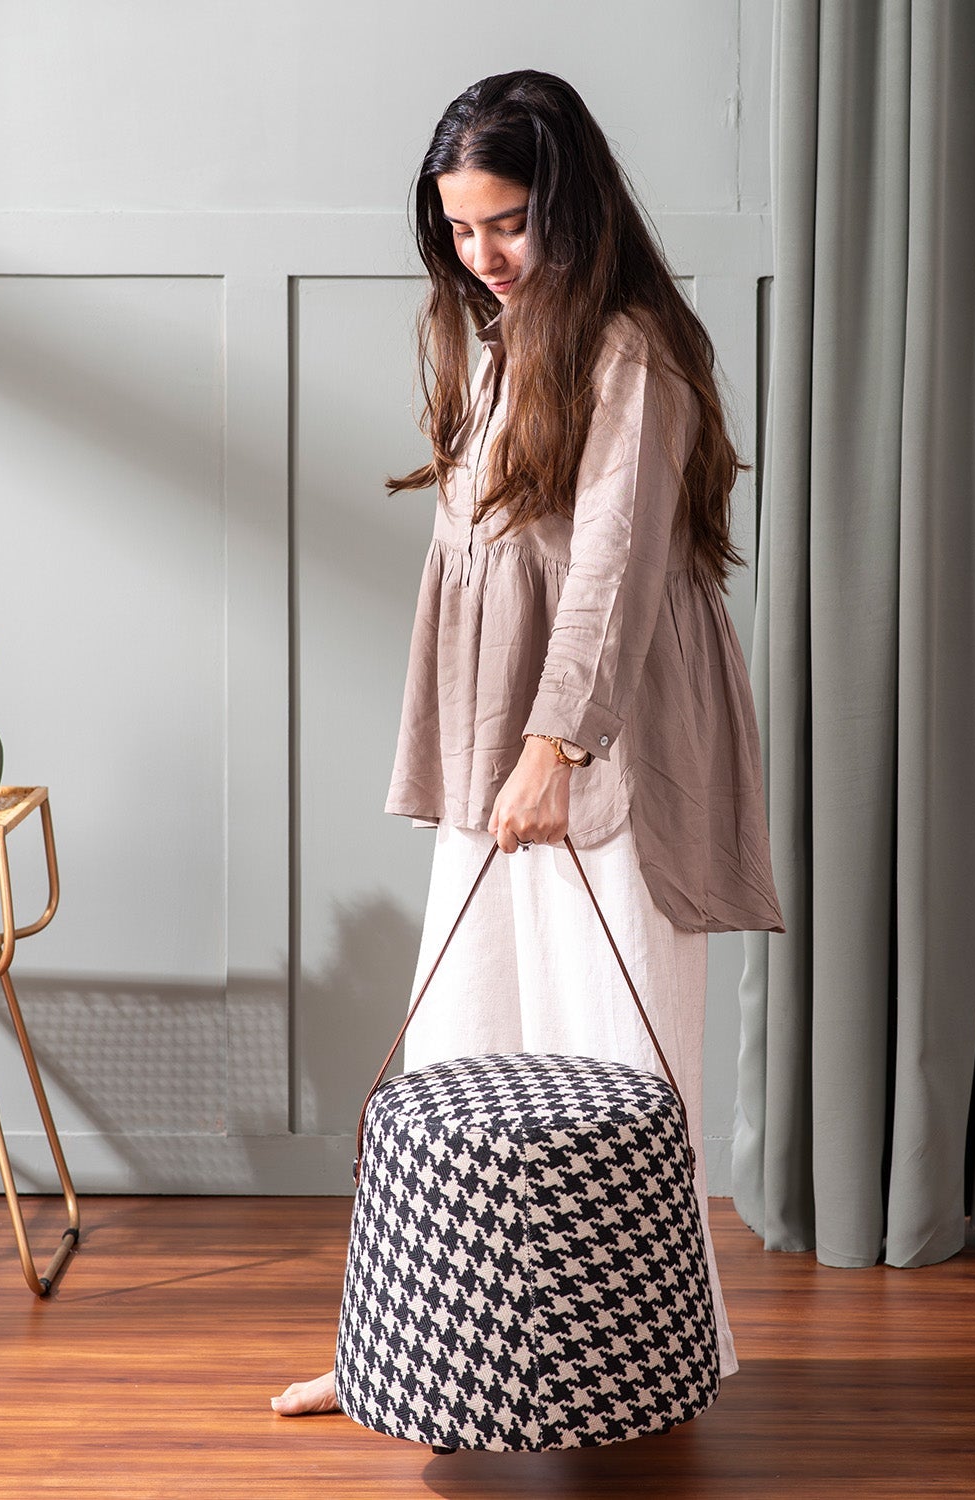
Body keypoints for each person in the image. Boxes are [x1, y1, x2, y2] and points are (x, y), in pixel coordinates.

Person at [272, 69, 784, 1420]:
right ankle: (411, 1337)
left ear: (572, 203)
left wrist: (556, 743)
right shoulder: (499, 341)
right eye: (460, 229)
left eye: (507, 223)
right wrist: (510, 745)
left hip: (602, 744)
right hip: (505, 744)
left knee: (615, 1059)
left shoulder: (632, 350)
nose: (482, 255)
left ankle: (656, 1355)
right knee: (459, 1041)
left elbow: (611, 570)